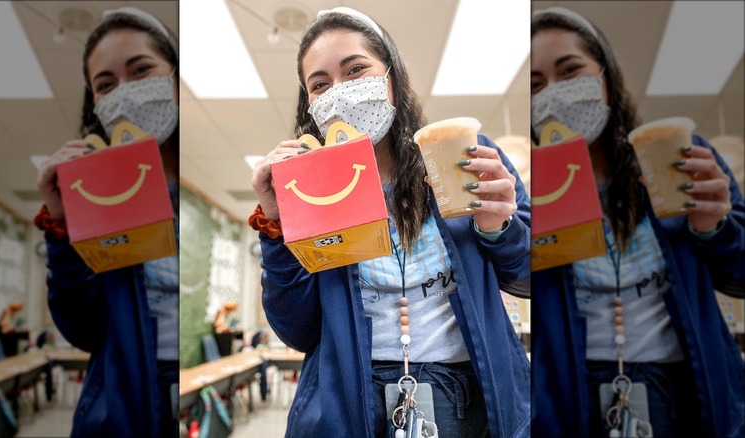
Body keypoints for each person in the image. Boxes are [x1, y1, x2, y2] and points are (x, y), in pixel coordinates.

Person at [249, 7, 531, 438]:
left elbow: (532, 277)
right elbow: (298, 329)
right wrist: (277, 225)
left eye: (356, 69)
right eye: (320, 84)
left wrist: (499, 228)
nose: (339, 92)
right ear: (311, 103)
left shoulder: (461, 154)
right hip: (349, 404)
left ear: (391, 79)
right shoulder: (312, 188)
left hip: (471, 402)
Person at [529, 7, 745, 438]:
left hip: (686, 390)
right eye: (536, 85)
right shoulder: (535, 186)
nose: (553, 94)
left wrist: (714, 229)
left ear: (606, 77)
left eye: (570, 70)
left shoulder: (676, 157)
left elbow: (739, 275)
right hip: (576, 394)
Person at [33, 7, 180, 438]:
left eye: (141, 70)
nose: (125, 92)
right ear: (95, 102)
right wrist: (61, 221)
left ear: (173, 76)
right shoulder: (97, 195)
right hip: (125, 400)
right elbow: (82, 326)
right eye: (106, 84)